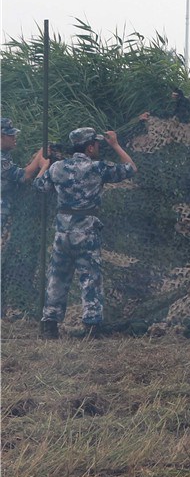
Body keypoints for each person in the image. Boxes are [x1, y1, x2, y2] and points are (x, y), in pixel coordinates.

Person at [34, 127, 137, 339]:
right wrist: (115, 144)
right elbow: (131, 168)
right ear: (90, 147)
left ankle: (49, 325)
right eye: (97, 144)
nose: (98, 147)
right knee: (90, 277)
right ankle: (91, 326)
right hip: (86, 230)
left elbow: (39, 186)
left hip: (62, 231)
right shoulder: (97, 168)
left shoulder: (58, 168)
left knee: (57, 276)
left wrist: (45, 166)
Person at [1, 116, 44, 238]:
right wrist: (40, 156)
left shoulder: (4, 155)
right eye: (10, 135)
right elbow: (24, 175)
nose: (14, 138)